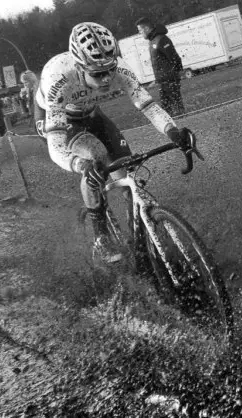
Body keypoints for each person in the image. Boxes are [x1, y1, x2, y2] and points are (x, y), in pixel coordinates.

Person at [36, 22, 193, 263]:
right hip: (59, 119)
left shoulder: (118, 68)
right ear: (79, 67)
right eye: (98, 74)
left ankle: (141, 236)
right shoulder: (58, 78)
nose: (108, 78)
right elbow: (55, 145)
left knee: (127, 170)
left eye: (110, 69)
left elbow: (148, 105)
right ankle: (101, 238)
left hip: (91, 112)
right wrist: (80, 165)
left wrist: (173, 132)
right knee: (96, 156)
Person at [135, 17, 185, 117]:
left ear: (146, 28)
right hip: (162, 81)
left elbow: (174, 57)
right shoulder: (152, 40)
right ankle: (172, 126)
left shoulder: (161, 39)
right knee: (166, 109)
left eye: (140, 30)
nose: (139, 33)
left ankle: (182, 121)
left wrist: (177, 73)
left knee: (176, 106)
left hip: (170, 79)